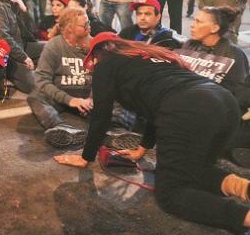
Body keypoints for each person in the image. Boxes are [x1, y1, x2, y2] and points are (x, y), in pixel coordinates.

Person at [55, 32, 250, 234]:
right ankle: (244, 188)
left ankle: (244, 217)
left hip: (189, 108)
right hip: (225, 104)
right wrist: (142, 149)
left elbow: (101, 116)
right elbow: (154, 109)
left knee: (171, 194)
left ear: (97, 54)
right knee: (194, 170)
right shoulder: (150, 55)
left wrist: (86, 157)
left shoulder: (106, 64)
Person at [29, 10, 138, 149]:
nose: (89, 26)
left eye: (88, 22)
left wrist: (93, 98)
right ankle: (62, 129)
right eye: (84, 24)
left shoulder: (96, 45)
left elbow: (107, 77)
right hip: (64, 94)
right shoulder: (54, 46)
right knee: (35, 96)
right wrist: (70, 100)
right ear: (69, 28)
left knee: (121, 92)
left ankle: (115, 131)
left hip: (92, 93)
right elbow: (42, 80)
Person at [184, 6, 250, 164]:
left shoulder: (234, 55)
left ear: (214, 28)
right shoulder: (188, 46)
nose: (193, 25)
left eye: (199, 22)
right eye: (194, 20)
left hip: (216, 114)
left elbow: (238, 98)